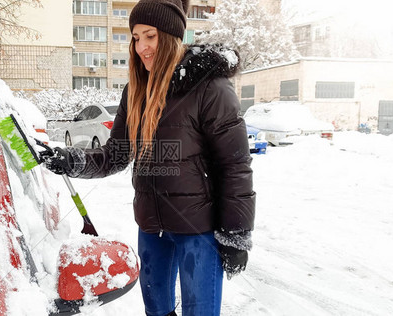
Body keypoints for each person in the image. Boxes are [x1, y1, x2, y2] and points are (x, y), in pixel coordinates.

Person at [41, 0, 255, 315]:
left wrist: (236, 234)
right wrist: (72, 160)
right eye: (136, 37)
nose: (141, 46)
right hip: (151, 227)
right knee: (156, 312)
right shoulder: (135, 91)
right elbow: (116, 153)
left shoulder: (211, 88)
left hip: (199, 232)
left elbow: (234, 166)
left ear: (170, 36)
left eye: (150, 36)